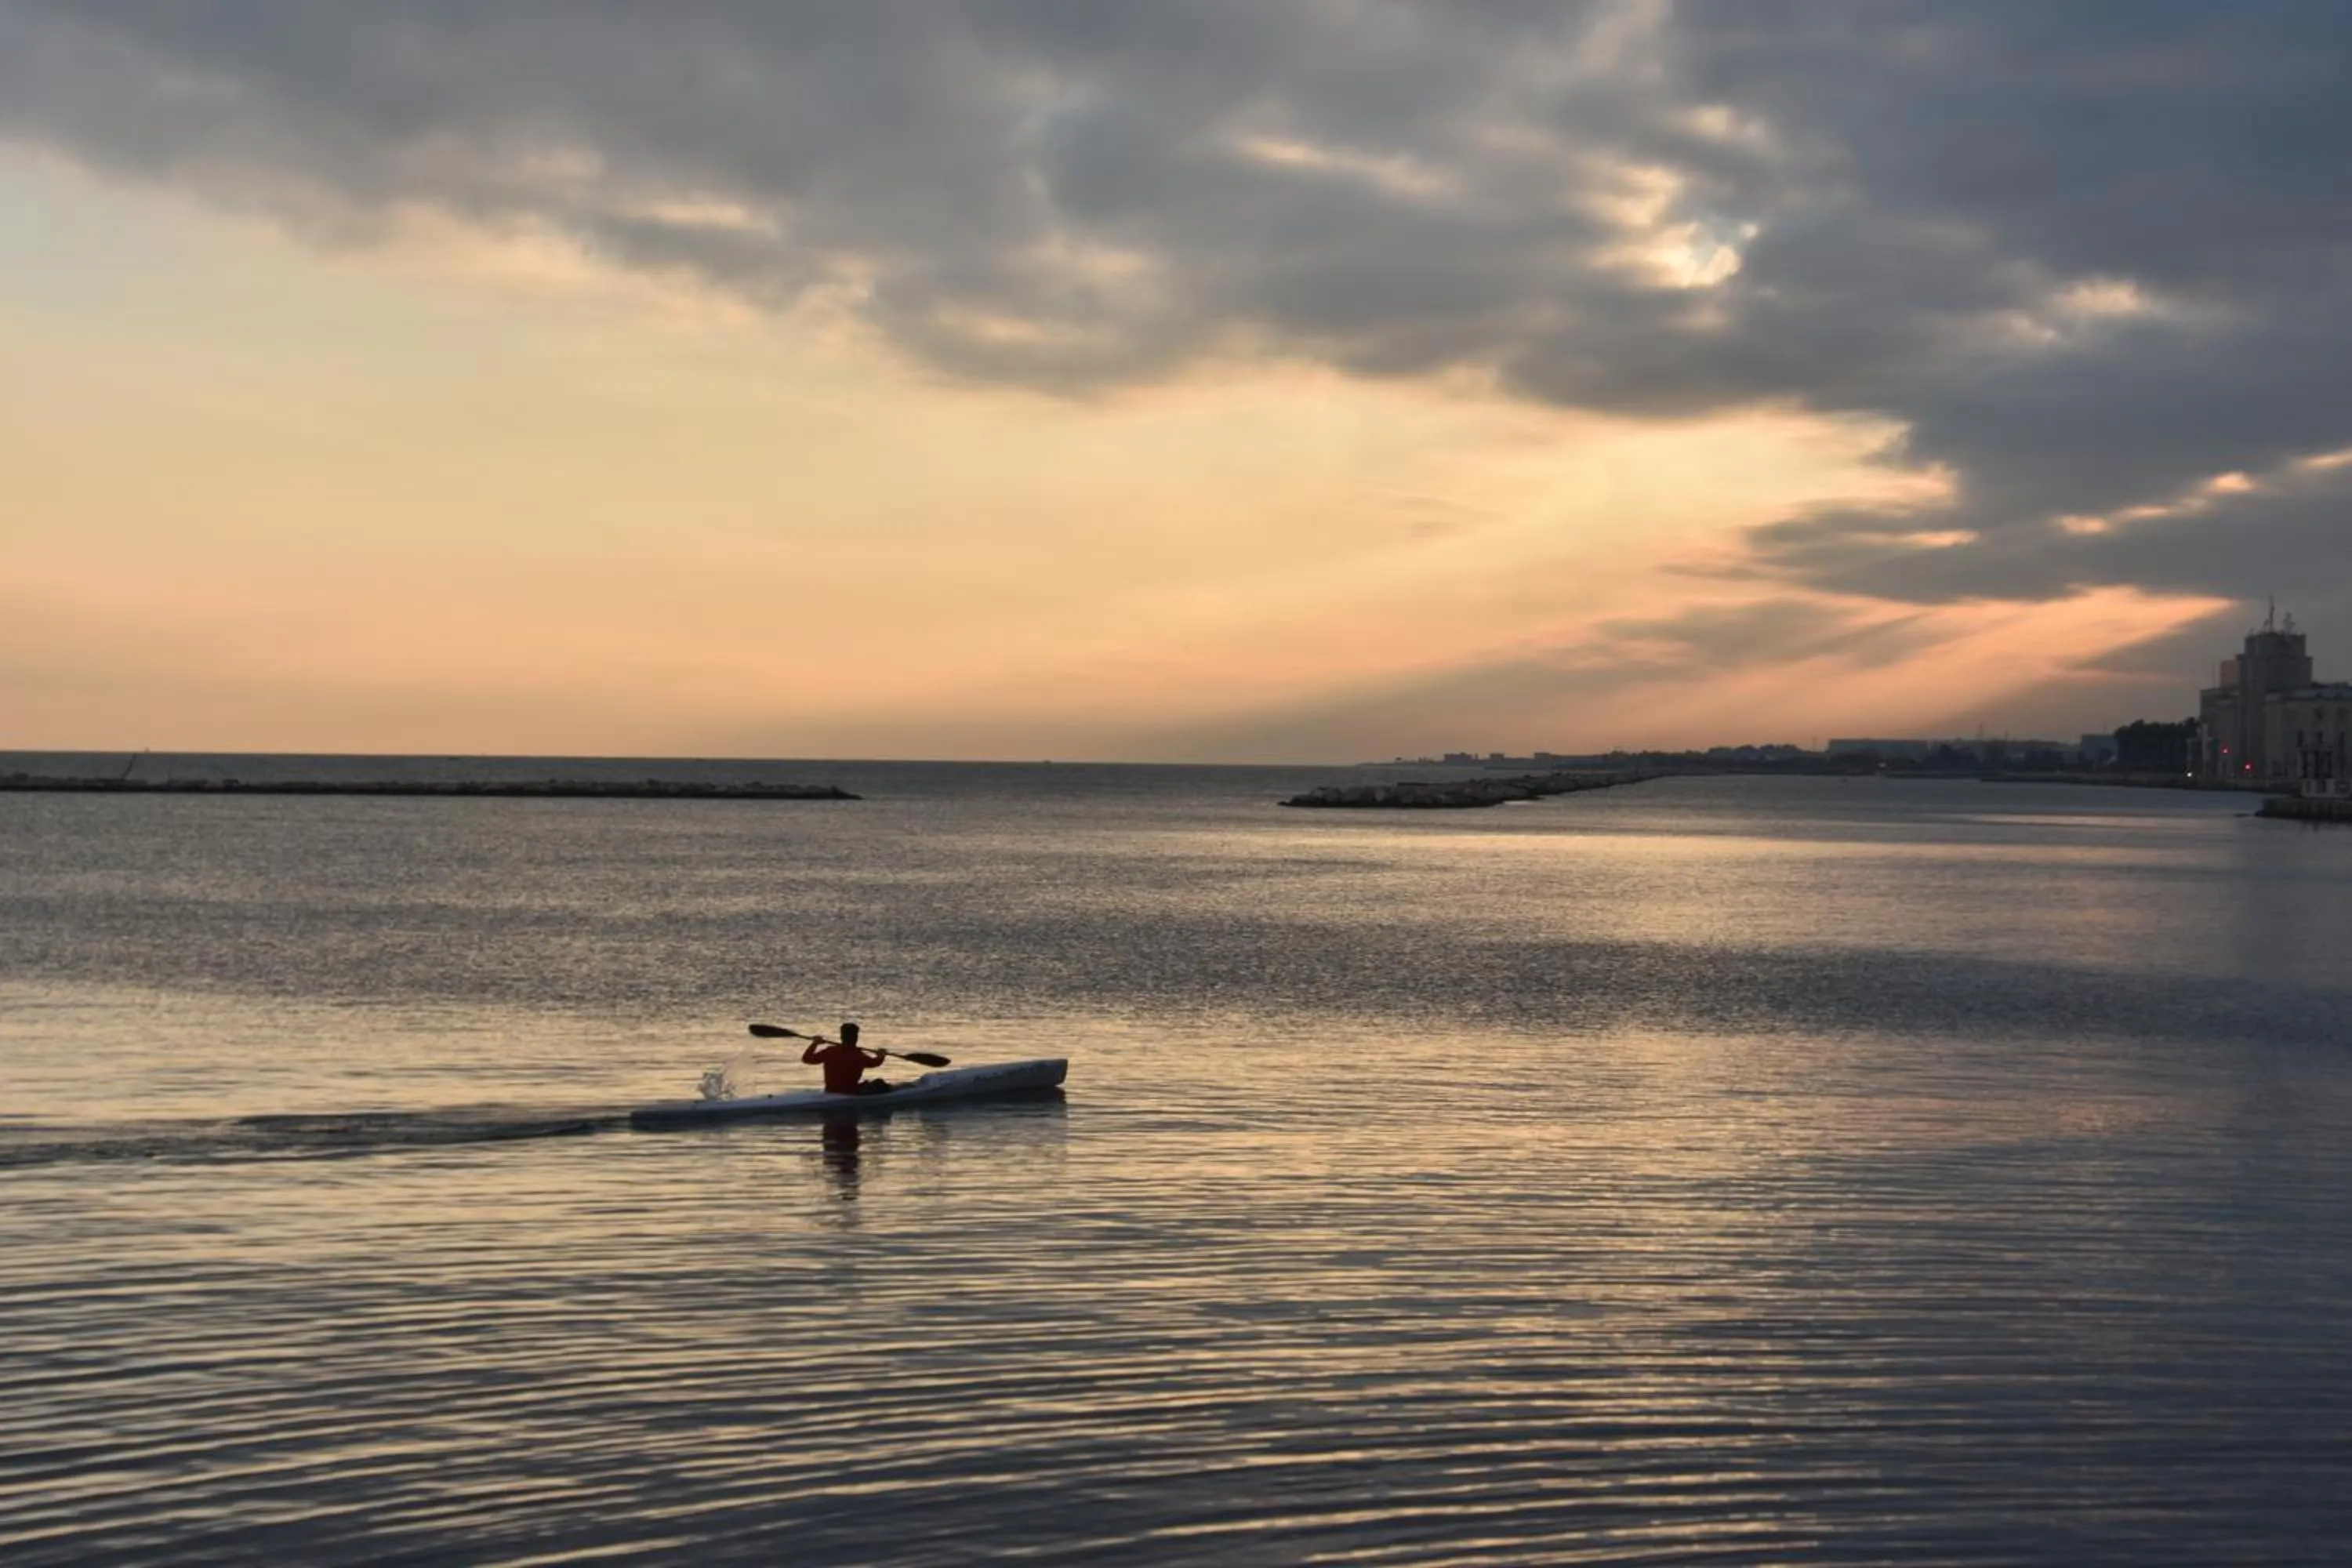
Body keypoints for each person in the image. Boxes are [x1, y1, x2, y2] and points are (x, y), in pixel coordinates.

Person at [803, 1021, 891, 1096]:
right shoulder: (859, 1055)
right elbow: (875, 1063)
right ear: (856, 1037)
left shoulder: (829, 1051)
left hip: (830, 1091)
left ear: (841, 1037)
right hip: (851, 1093)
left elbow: (806, 1059)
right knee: (880, 1083)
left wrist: (814, 1044)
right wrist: (882, 1055)